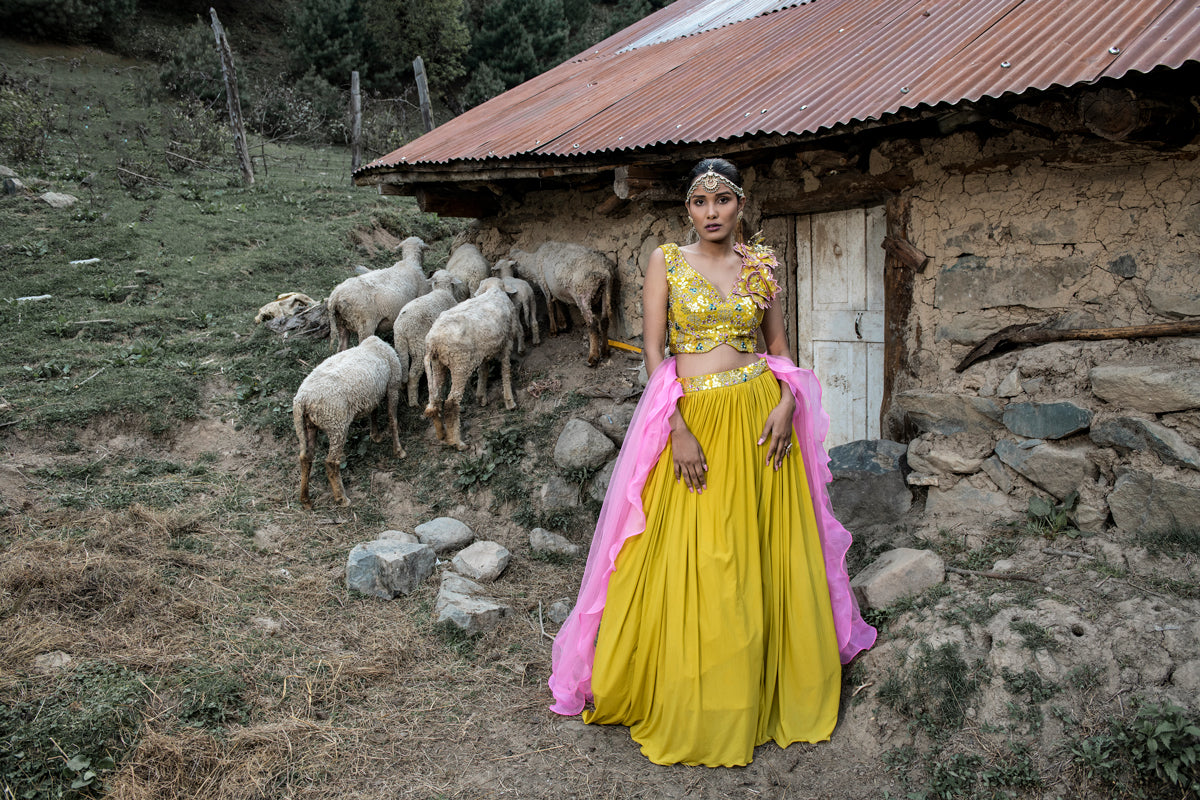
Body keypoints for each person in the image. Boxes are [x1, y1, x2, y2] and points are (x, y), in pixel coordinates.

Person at [548, 157, 876, 767]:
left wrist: (786, 402)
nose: (711, 213)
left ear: (740, 205)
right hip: (695, 420)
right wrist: (676, 426)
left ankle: (761, 685)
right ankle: (696, 689)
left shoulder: (762, 265)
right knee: (700, 551)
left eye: (722, 200)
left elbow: (777, 346)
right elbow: (653, 349)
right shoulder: (667, 261)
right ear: (688, 210)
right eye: (700, 202)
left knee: (761, 546)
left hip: (759, 420)